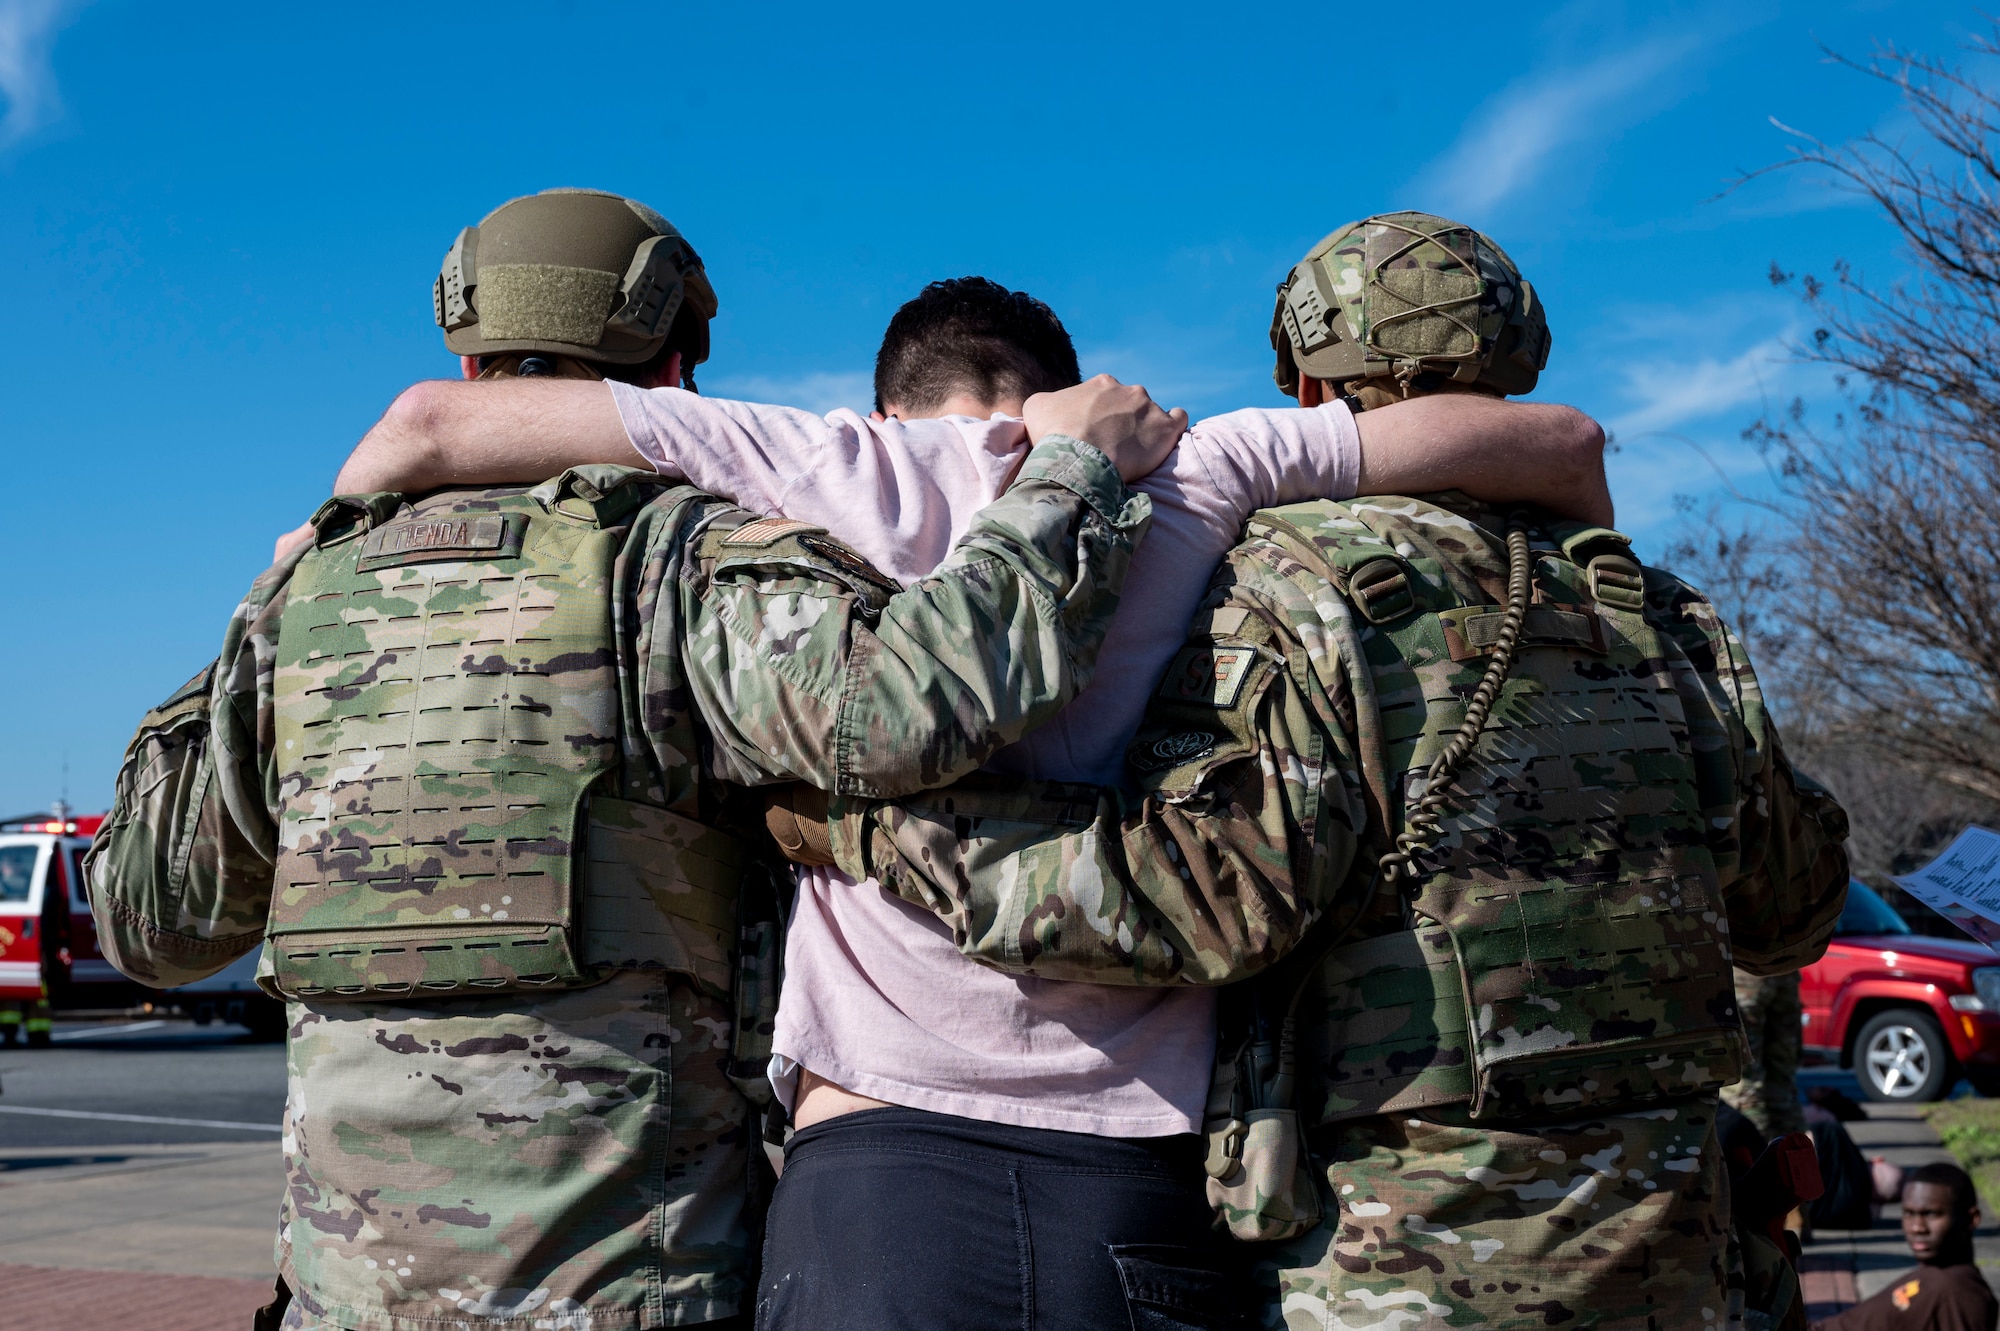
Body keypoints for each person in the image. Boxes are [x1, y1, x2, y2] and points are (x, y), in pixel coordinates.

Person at [327, 254, 1621, 1324]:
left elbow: (428, 428)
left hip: (870, 1180)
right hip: (1147, 1178)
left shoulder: (805, 462)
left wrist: (313, 554)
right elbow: (1559, 439)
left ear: (888, 400)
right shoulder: (1200, 466)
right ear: (1068, 395)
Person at [84, 187, 1183, 1331]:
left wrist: (250, 622)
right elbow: (908, 705)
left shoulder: (303, 595)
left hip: (343, 1297)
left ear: (469, 363)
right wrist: (1068, 478)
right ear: (676, 360)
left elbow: (155, 925)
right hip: (632, 1290)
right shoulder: (677, 562)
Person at [816, 211, 1854, 1327]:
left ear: (1308, 385)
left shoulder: (1285, 591)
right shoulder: (1653, 612)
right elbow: (1789, 909)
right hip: (1671, 1257)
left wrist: (874, 830)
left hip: (1396, 1262)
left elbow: (1204, 903)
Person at [1813, 1163, 1997, 1331]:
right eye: (1909, 1213)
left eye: (1931, 1214)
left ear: (1972, 1219)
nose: (1917, 1227)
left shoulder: (1958, 1295)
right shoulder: (1932, 1274)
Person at [1730, 968, 1808, 1137]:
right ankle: (1791, 1153)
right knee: (1782, 1080)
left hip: (1745, 970)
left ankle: (1758, 1154)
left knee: (1745, 1081)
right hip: (1784, 965)